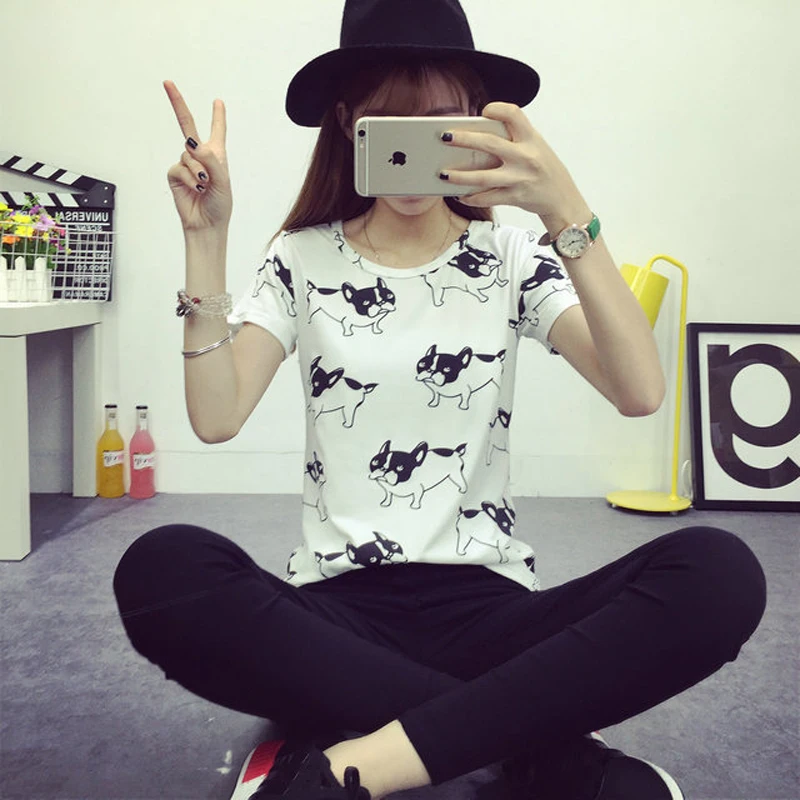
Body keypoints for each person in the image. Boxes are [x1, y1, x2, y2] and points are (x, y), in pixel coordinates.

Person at [113, 2, 767, 799]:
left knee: (718, 572)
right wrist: (205, 238)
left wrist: (563, 207)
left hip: (493, 610)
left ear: (476, 125)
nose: (413, 149)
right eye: (390, 123)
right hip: (335, 618)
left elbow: (640, 390)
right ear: (348, 122)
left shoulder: (511, 255)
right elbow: (216, 419)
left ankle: (350, 759)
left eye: (439, 125)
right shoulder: (301, 258)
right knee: (162, 568)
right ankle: (541, 752)